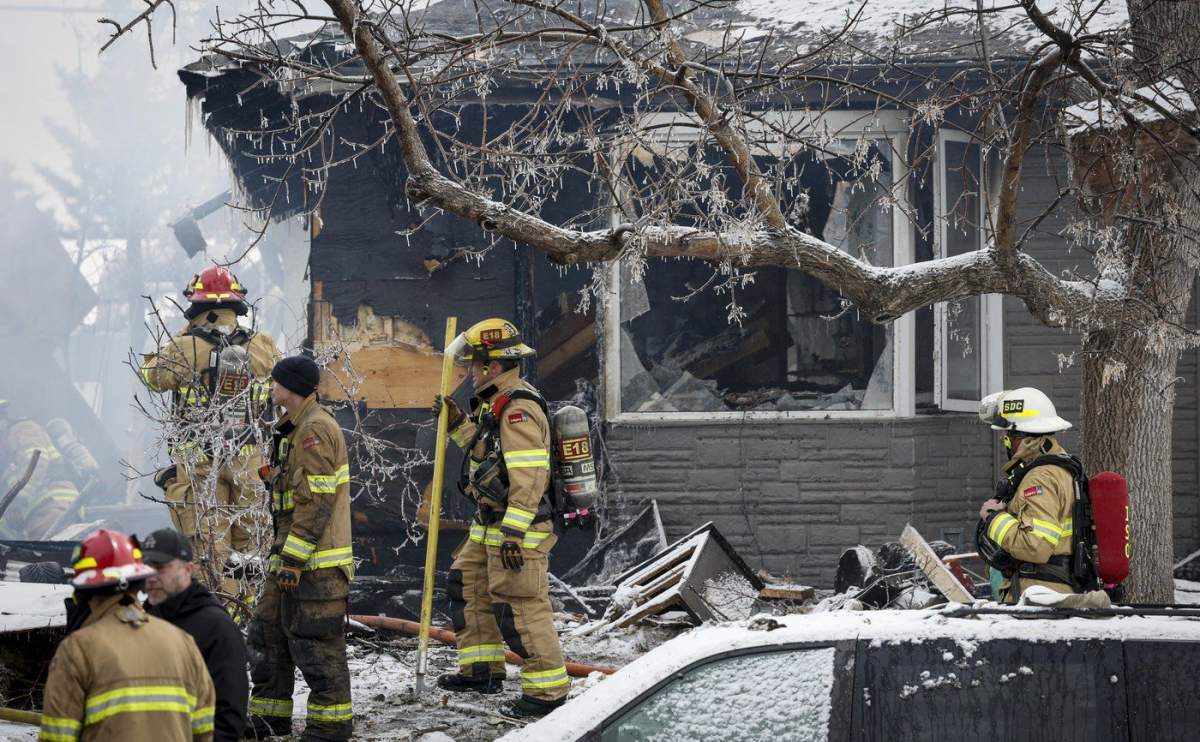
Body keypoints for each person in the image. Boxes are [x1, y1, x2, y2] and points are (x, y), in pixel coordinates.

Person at [432, 318, 570, 718]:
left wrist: (513, 532)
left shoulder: (517, 409)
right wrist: (458, 425)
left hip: (518, 527)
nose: (470, 372)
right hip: (491, 522)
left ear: (492, 367)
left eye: (474, 365)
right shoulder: (496, 403)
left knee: (521, 606)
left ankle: (547, 693)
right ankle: (482, 671)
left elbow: (529, 476)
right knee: (468, 584)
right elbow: (487, 457)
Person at [139, 265, 279, 595]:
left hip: (201, 466)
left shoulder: (185, 348)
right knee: (253, 548)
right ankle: (251, 613)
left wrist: (177, 338)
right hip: (251, 464)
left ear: (196, 307)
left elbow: (151, 377)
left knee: (209, 552)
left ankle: (218, 615)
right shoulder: (263, 346)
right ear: (237, 306)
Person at [247, 355, 353, 741]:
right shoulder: (294, 429)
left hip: (316, 563)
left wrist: (293, 558)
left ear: (290, 386)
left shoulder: (314, 431)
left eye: (276, 382)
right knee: (267, 632)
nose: (271, 388)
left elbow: (316, 503)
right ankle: (268, 717)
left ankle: (331, 726)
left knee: (316, 643)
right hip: (290, 556)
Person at [39, 529, 215, 741]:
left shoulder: (77, 650)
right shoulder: (183, 642)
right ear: (138, 581)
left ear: (83, 593)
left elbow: (57, 737)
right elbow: (205, 732)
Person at [142, 528, 249, 742]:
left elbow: (228, 718)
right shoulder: (143, 620)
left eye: (160, 567)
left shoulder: (215, 628)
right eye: (146, 568)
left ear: (188, 569)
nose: (151, 577)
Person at [976, 387, 1080, 604]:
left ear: (1025, 439)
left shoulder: (1040, 478)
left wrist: (994, 518)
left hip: (1039, 597)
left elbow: (1036, 546)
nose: (1006, 442)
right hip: (1044, 593)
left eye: (1009, 436)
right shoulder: (1057, 469)